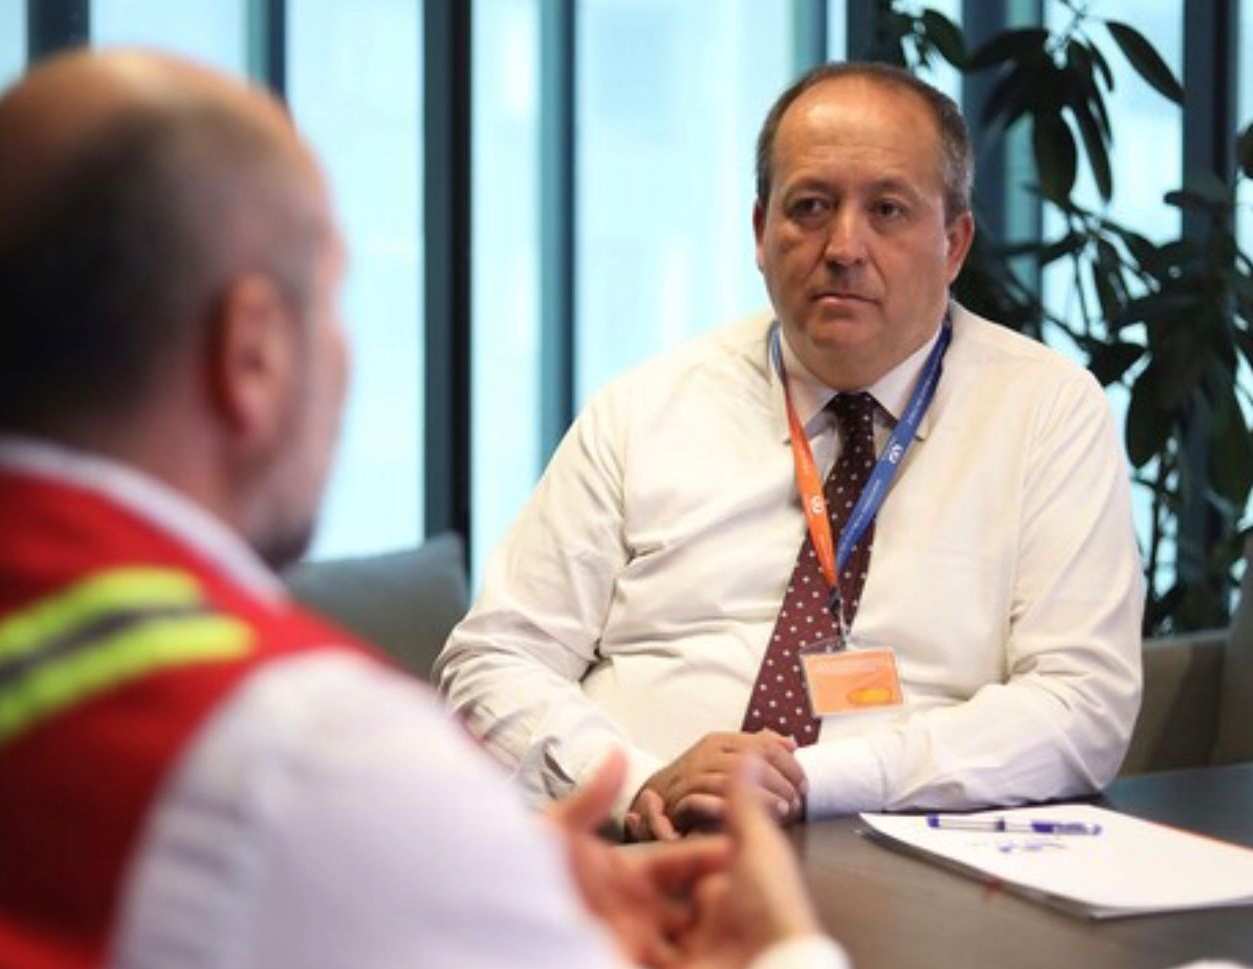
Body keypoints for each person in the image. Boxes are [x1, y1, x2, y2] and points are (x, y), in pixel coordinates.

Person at [0, 50, 896, 969]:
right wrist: (786, 953)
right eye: (331, 305)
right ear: (251, 350)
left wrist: (452, 890)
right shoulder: (293, 752)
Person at [435, 62, 1143, 840]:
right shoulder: (646, 407)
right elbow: (489, 664)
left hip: (891, 851)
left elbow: (1083, 705)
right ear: (760, 235)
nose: (844, 245)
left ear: (954, 243)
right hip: (629, 848)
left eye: (888, 210)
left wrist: (812, 780)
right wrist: (638, 782)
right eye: (810, 206)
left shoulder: (1045, 412)